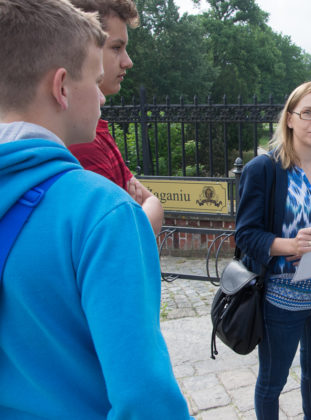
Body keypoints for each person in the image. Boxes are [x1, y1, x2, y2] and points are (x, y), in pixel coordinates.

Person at [0, 0, 191, 418]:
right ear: (62, 87)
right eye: (95, 79)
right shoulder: (103, 212)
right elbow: (144, 397)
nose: (103, 96)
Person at [235, 80, 311, 419]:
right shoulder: (263, 169)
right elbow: (245, 234)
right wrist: (289, 245)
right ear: (289, 118)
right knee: (272, 382)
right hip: (281, 298)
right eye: (308, 113)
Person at [68, 0, 164, 236]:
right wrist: (136, 212)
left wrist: (134, 213)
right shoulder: (82, 140)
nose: (127, 61)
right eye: (116, 47)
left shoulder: (95, 130)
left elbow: (153, 204)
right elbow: (122, 239)